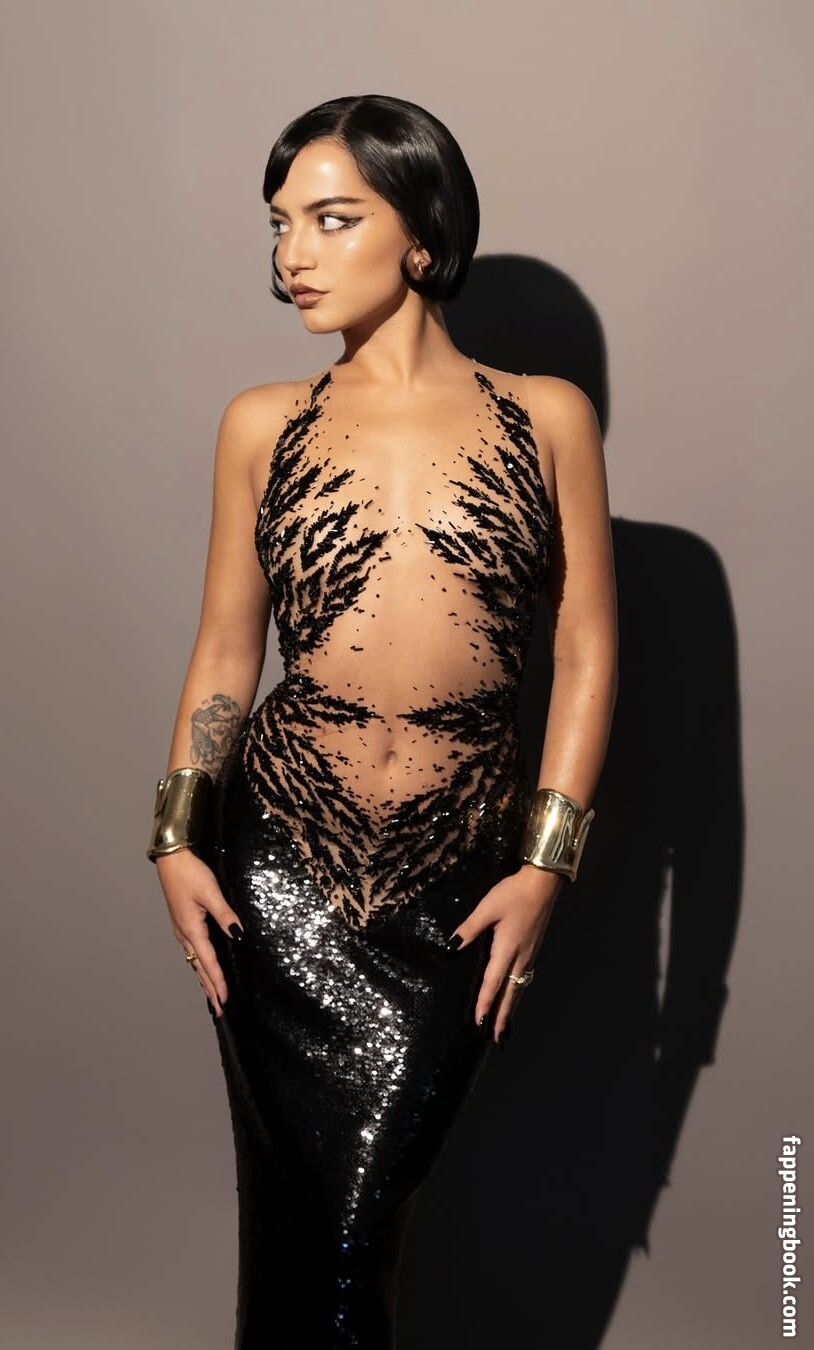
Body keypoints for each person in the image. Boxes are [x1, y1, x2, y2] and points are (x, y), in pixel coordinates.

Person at [146, 93, 618, 1349]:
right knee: (305, 1226)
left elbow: (583, 651)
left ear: (421, 232)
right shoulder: (263, 423)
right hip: (277, 863)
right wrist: (177, 833)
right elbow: (226, 651)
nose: (292, 252)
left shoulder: (546, 416)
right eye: (280, 224)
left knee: (364, 1216)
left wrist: (545, 866)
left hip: (457, 865)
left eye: (331, 218)